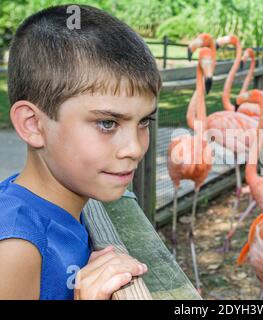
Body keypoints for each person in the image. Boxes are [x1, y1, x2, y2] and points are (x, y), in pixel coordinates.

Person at [0, 4, 161, 300]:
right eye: (108, 123)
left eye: (144, 122)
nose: (135, 148)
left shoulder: (59, 206)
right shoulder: (15, 248)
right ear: (33, 125)